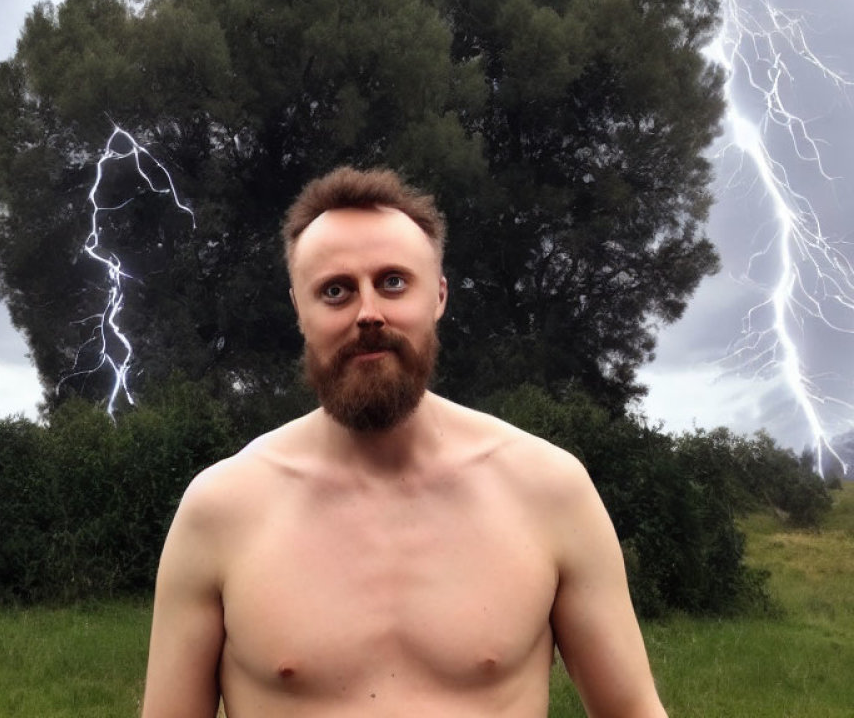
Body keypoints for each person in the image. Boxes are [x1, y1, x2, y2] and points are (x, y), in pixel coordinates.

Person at [141, 167, 667, 718]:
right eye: (336, 291)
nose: (368, 313)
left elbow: (631, 709)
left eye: (393, 282)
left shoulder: (548, 490)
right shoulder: (221, 510)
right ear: (299, 309)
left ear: (438, 296)